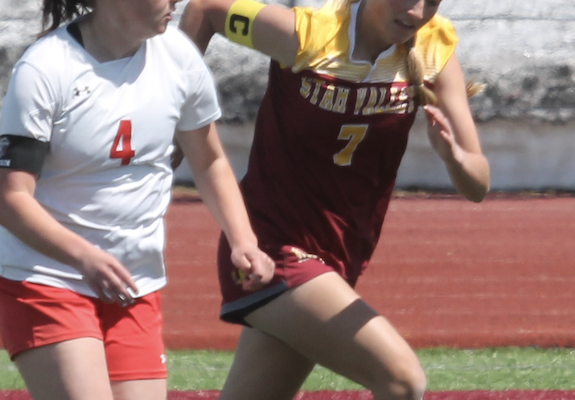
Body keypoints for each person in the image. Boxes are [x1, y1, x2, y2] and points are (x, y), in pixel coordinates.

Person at [179, 0, 490, 398]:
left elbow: (478, 184)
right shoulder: (310, 35)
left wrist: (455, 157)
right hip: (268, 250)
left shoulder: (434, 47)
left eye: (430, 1)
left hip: (337, 258)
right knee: (402, 380)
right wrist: (177, 120)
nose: (416, 11)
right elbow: (204, 9)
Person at [0, 0, 276, 398]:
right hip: (47, 279)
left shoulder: (177, 55)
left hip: (133, 285)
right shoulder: (45, 68)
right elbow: (11, 200)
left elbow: (209, 161)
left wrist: (243, 240)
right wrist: (84, 256)